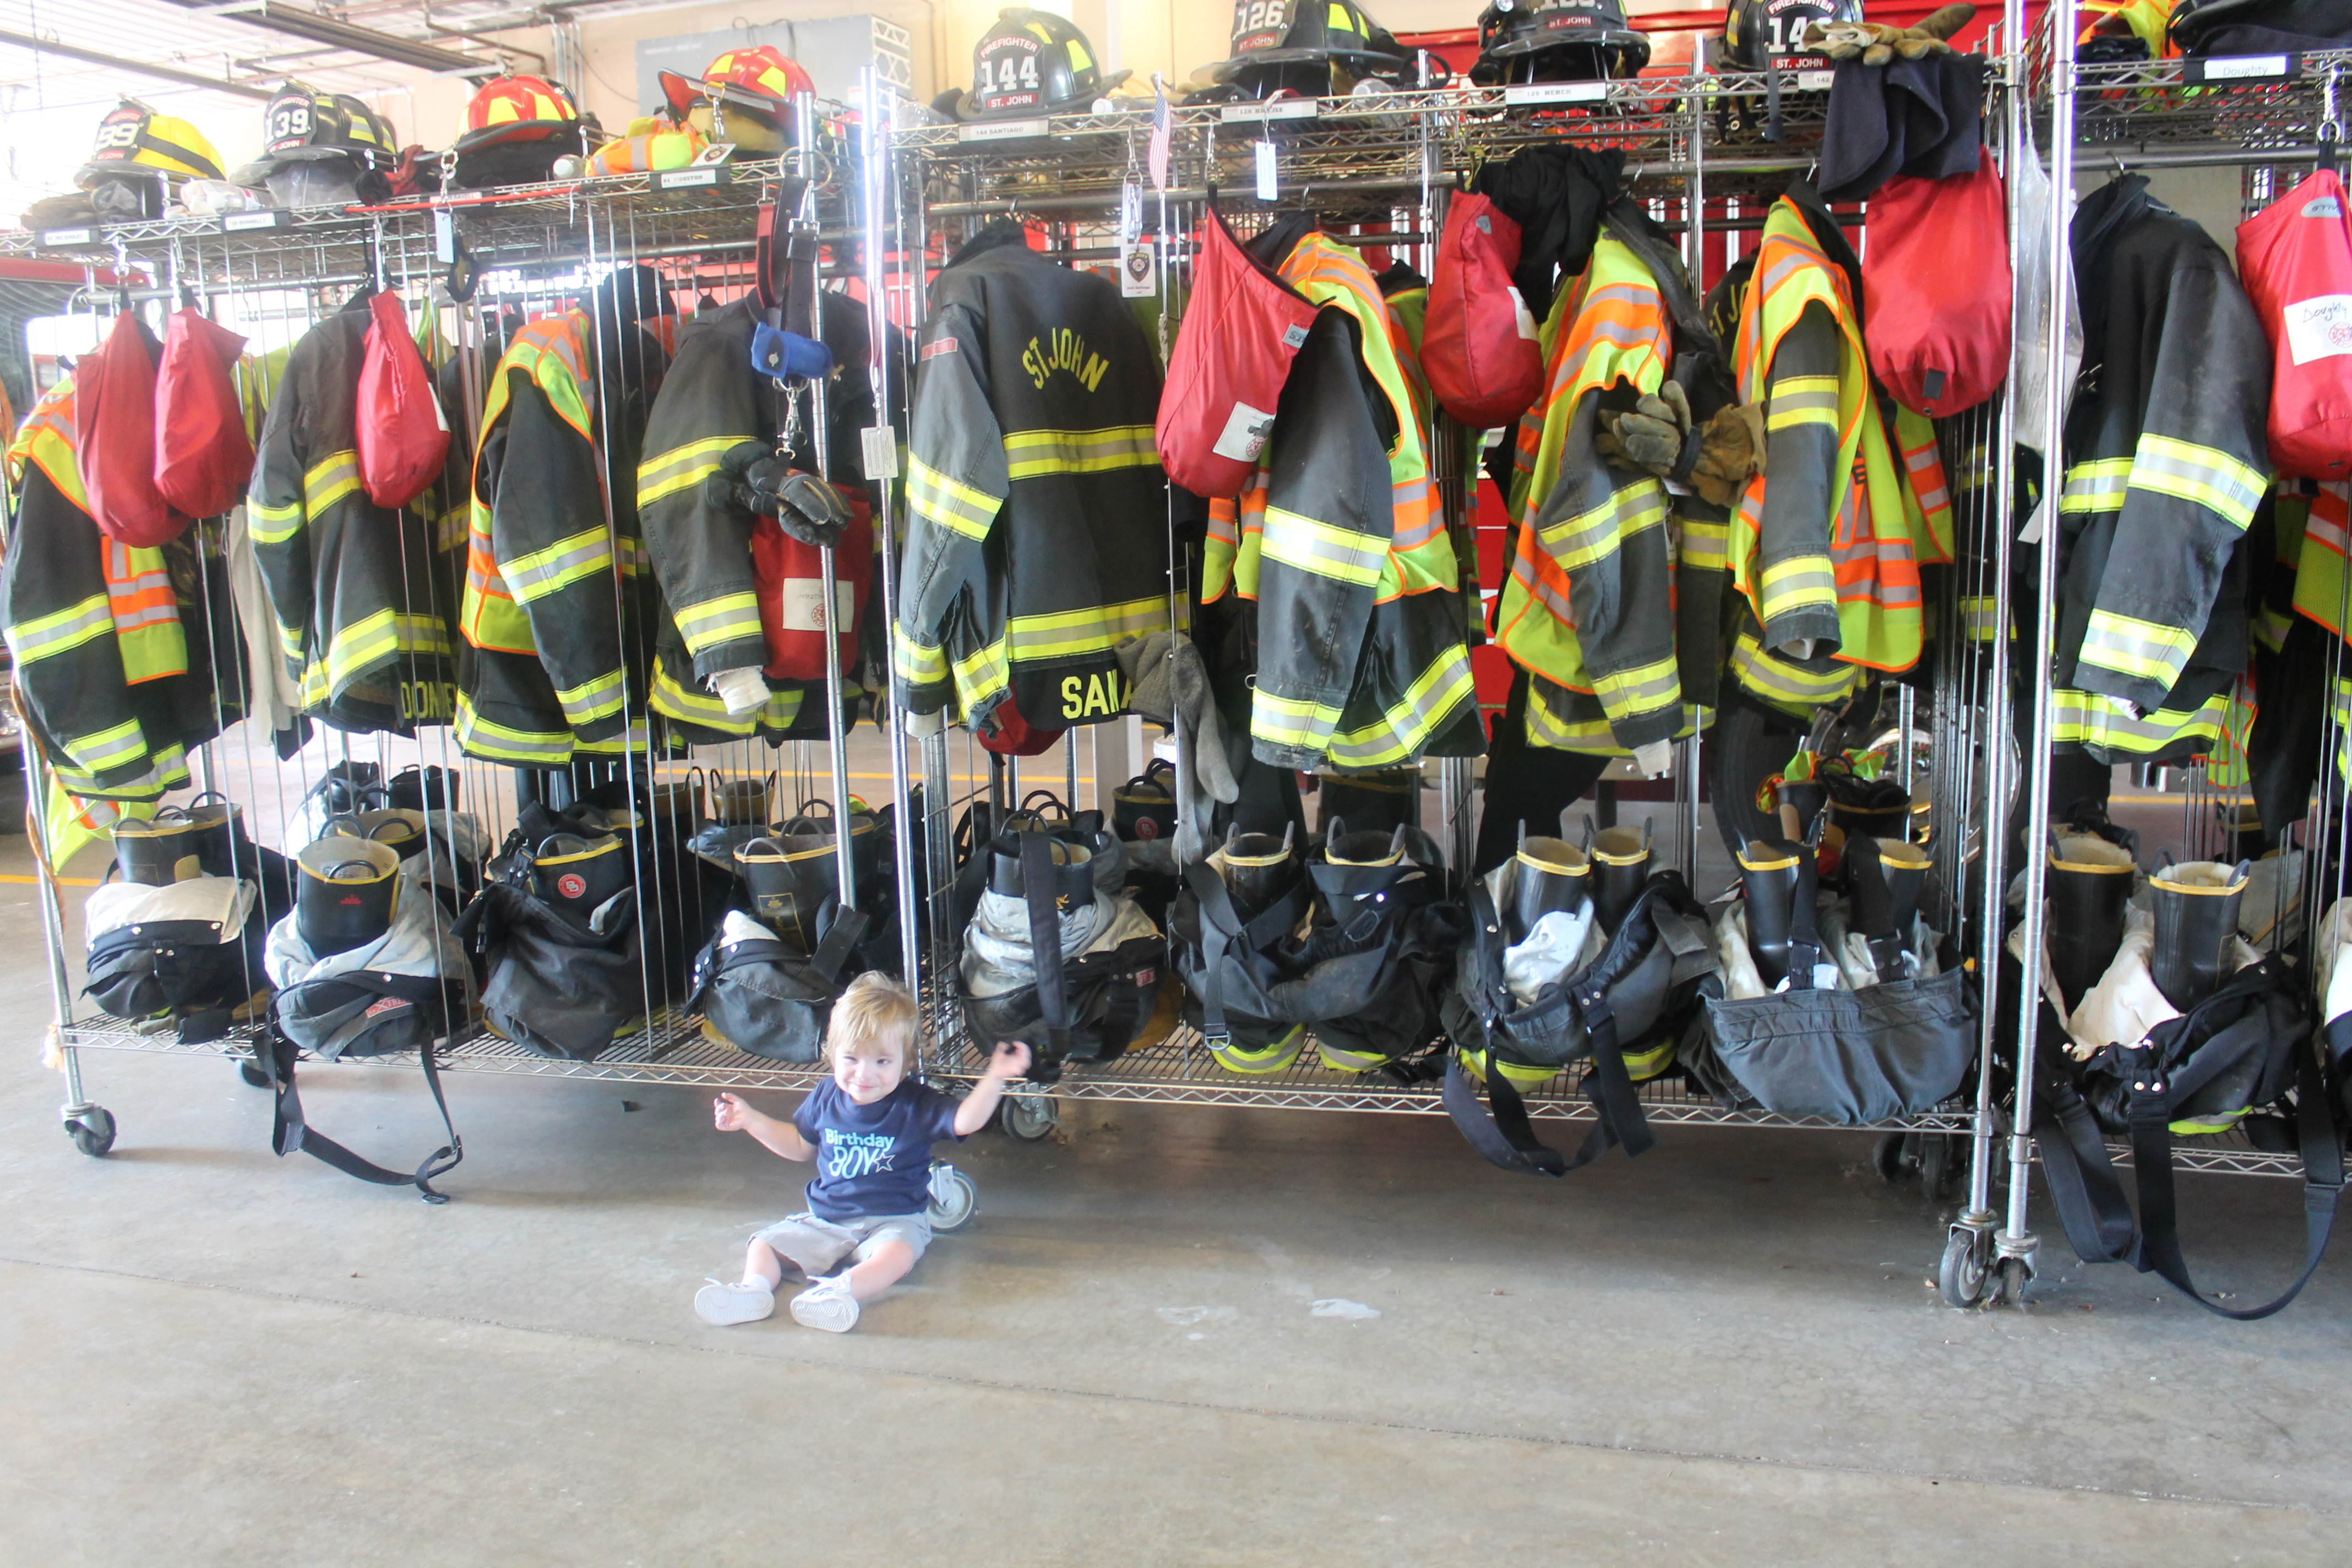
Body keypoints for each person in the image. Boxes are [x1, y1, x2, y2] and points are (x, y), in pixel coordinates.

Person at [694, 971, 1030, 1332]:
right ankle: (753, 1292)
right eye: (851, 1058)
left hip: (895, 1219)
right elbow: (798, 1146)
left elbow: (966, 1120)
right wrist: (751, 1120)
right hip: (829, 1218)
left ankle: (839, 1293)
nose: (864, 1074)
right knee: (762, 1244)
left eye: (882, 1062)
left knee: (897, 1256)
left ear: (907, 1061)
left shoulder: (916, 1104)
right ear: (832, 1053)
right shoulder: (826, 1097)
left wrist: (994, 1078)